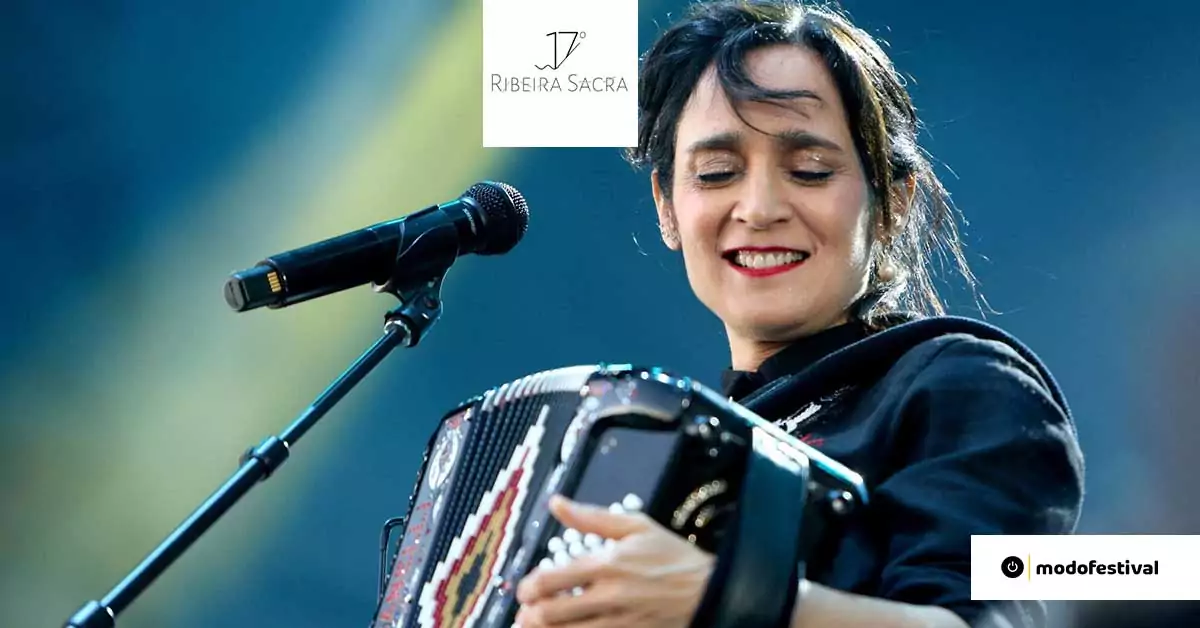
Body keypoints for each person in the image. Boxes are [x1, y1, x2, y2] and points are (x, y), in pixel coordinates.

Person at [514, 1, 1085, 627]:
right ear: (666, 209)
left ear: (892, 202)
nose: (758, 207)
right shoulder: (680, 449)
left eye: (810, 170)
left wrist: (728, 596)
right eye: (717, 172)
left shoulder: (966, 385)